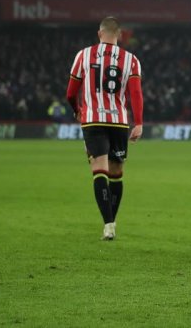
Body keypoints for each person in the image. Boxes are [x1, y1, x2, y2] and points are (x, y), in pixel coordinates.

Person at [66, 17, 144, 241]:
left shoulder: (83, 55)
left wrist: (77, 109)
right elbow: (136, 94)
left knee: (98, 170)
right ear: (118, 34)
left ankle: (108, 223)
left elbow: (71, 93)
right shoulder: (131, 60)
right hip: (119, 122)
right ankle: (113, 221)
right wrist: (138, 122)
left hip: (93, 120)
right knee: (116, 174)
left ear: (99, 34)